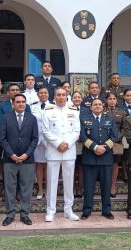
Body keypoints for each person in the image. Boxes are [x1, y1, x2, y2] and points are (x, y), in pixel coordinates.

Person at [42, 88, 80, 222]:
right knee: (52, 182)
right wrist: (58, 143)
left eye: (63, 95)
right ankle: (50, 211)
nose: (61, 97)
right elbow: (45, 131)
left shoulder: (74, 112)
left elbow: (77, 131)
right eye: (58, 95)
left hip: (69, 152)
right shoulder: (47, 112)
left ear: (67, 96)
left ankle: (68, 210)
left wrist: (67, 143)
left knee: (69, 183)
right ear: (54, 97)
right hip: (54, 151)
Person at [0, 94, 39, 226]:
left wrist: (26, 154)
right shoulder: (6, 118)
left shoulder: (32, 118)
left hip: (27, 159)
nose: (21, 104)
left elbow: (35, 139)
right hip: (10, 159)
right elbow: (2, 138)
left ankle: (25, 214)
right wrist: (11, 154)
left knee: (26, 188)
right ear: (13, 104)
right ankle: (10, 214)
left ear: (25, 103)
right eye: (18, 102)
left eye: (23, 102)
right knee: (10, 188)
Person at [79, 98, 118, 220]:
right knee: (89, 186)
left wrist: (104, 148)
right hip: (89, 158)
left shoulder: (110, 119)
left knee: (106, 186)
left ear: (103, 107)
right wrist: (95, 147)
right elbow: (82, 136)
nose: (97, 106)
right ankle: (87, 210)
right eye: (95, 104)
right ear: (90, 107)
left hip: (106, 158)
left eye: (99, 104)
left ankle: (106, 210)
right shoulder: (84, 119)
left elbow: (115, 136)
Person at [30, 86, 54, 200]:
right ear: (38, 94)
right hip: (37, 140)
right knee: (39, 165)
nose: (43, 94)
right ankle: (40, 188)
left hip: (50, 141)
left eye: (45, 93)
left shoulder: (53, 106)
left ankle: (49, 189)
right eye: (41, 93)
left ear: (48, 94)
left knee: (50, 165)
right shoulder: (32, 106)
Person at [103, 93, 126, 198]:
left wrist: (116, 138)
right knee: (104, 164)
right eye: (110, 99)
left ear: (117, 100)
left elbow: (124, 128)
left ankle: (113, 186)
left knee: (115, 164)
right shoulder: (102, 111)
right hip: (103, 142)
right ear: (106, 100)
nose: (112, 100)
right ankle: (104, 186)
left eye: (114, 99)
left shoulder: (121, 112)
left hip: (116, 142)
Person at [71, 91, 85, 197]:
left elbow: (87, 126)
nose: (77, 99)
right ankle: (71, 188)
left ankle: (79, 188)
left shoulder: (86, 111)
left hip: (82, 142)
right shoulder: (67, 110)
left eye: (79, 97)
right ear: (71, 99)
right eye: (75, 97)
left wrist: (82, 138)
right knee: (71, 167)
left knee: (81, 166)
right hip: (71, 142)